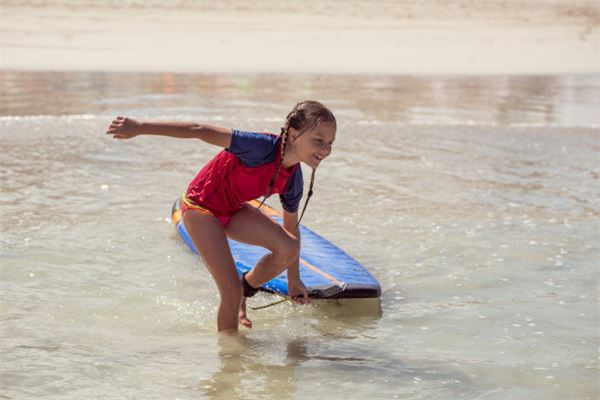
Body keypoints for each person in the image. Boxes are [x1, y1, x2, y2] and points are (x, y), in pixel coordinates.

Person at [105, 101, 337, 332]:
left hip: (232, 209)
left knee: (289, 247)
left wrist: (293, 280)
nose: (325, 149)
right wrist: (139, 126)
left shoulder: (294, 178)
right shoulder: (260, 147)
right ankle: (231, 359)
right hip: (200, 209)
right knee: (230, 293)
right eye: (318, 141)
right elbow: (198, 130)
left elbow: (291, 229)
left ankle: (247, 285)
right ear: (294, 134)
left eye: (330, 143)